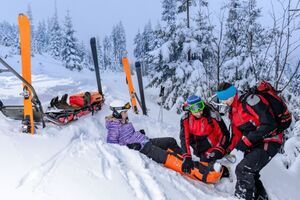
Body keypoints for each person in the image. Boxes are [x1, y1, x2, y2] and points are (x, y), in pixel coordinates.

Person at [105, 99, 225, 184]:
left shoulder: (122, 121)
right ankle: (208, 174)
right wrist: (131, 146)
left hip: (145, 141)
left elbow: (126, 136)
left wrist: (137, 135)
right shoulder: (113, 127)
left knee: (170, 141)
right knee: (169, 156)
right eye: (124, 112)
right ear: (117, 112)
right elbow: (113, 146)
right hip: (143, 148)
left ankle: (183, 158)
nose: (126, 114)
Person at [216, 82, 282, 200]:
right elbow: (237, 135)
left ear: (232, 94)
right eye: (221, 99)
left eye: (225, 98)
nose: (224, 102)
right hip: (254, 144)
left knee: (243, 169)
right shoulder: (233, 111)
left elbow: (269, 124)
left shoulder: (251, 101)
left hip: (270, 140)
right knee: (251, 174)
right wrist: (227, 151)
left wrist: (246, 141)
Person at [180, 95, 230, 174]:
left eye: (200, 107)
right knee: (200, 158)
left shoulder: (212, 116)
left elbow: (224, 134)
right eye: (194, 109)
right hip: (198, 148)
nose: (199, 112)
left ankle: (222, 168)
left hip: (213, 147)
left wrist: (219, 149)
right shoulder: (186, 119)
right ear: (189, 109)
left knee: (205, 161)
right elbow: (184, 138)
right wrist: (187, 156)